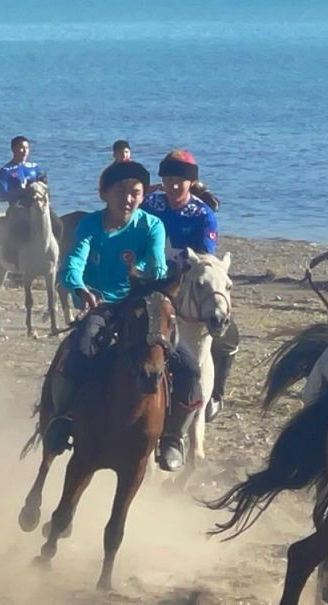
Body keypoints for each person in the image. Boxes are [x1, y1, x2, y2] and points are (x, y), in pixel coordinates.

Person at [46, 160, 203, 471]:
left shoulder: (151, 226)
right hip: (100, 304)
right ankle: (63, 419)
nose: (128, 198)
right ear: (104, 193)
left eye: (135, 192)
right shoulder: (90, 224)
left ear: (143, 196)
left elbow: (157, 263)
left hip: (143, 303)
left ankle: (173, 437)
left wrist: (150, 280)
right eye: (120, 191)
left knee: (189, 367)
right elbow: (74, 262)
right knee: (80, 349)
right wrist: (79, 288)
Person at [141, 149, 239, 421]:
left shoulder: (203, 214)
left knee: (229, 337)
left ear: (191, 182)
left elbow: (206, 259)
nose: (174, 185)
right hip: (151, 280)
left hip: (187, 283)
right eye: (169, 179)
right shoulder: (151, 205)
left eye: (180, 180)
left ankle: (215, 394)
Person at [0, 135, 47, 242]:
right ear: (14, 149)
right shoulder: (6, 170)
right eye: (21, 147)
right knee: (22, 227)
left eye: (27, 148)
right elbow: (1, 196)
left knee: (57, 223)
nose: (25, 151)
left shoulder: (35, 168)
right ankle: (13, 254)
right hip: (18, 207)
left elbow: (43, 185)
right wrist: (21, 192)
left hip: (37, 206)